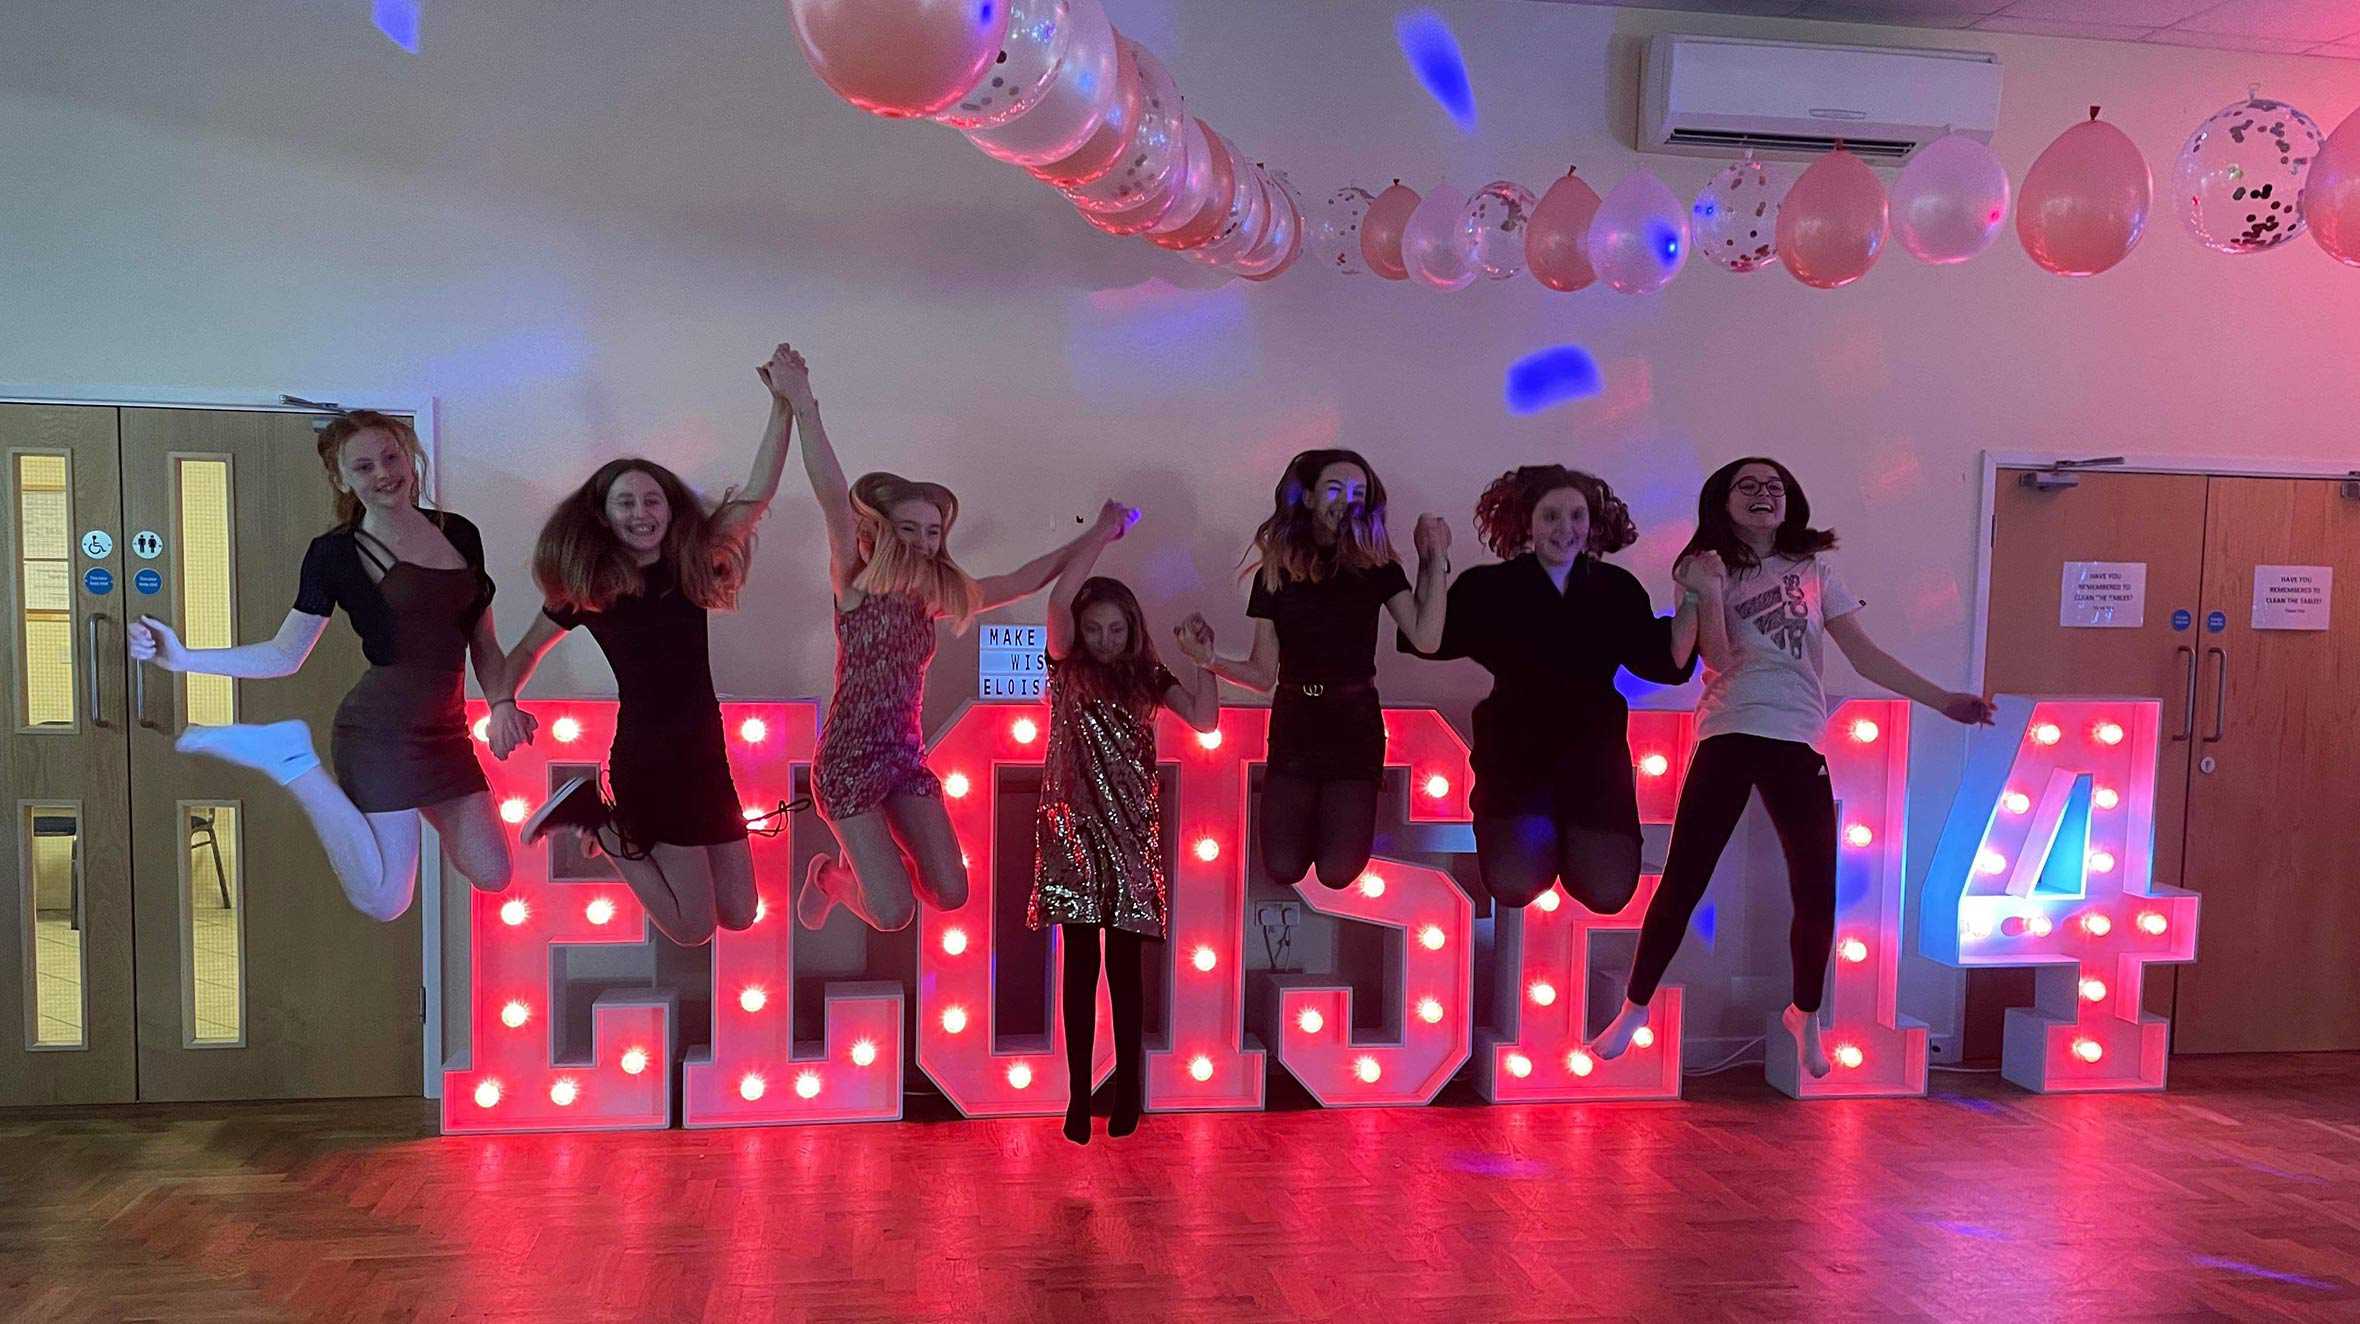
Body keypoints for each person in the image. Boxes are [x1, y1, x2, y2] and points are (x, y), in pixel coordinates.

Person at [1592, 457, 1994, 1077]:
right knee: (1685, 878)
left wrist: (1945, 701)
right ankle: (1635, 1007)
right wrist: (1709, 589)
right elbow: (1719, 661)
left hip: (1798, 734)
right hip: (1729, 728)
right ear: (1722, 502)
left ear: (1790, 501)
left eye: (1774, 486)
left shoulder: (1814, 571)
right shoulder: (1700, 567)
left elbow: (1864, 657)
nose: (1763, 495)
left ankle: (1805, 1012)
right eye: (1747, 486)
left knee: (1815, 886)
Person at [789, 359, 1131, 934]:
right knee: (894, 912)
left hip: (902, 761)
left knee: (949, 893)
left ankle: (869, 862)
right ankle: (831, 875)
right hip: (847, 766)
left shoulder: (934, 599)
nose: (924, 542)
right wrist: (803, 403)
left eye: (933, 531)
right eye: (910, 529)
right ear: (880, 532)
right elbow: (830, 496)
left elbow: (1028, 577)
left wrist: (1098, 533)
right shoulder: (854, 584)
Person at [130, 410, 512, 921]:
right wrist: (183, 659)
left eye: (391, 457)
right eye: (363, 466)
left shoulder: (461, 534)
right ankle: (291, 760)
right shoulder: (334, 554)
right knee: (384, 900)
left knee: (493, 872)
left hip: (447, 731)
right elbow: (284, 653)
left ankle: (321, 771)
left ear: (410, 457)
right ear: (342, 478)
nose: (382, 474)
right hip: (382, 731)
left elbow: (482, 641)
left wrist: (504, 702)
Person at [493, 344, 802, 945]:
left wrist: (785, 405)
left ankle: (601, 823)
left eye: (652, 499)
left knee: (739, 913)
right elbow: (522, 653)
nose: (642, 512)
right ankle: (598, 821)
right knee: (691, 930)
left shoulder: (691, 565)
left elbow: (759, 493)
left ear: (670, 508)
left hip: (706, 755)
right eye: (626, 502)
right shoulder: (591, 590)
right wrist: (503, 703)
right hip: (651, 761)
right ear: (605, 516)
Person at [1402, 465, 1696, 911]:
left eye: (1576, 516)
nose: (1566, 528)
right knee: (1514, 882)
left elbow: (1667, 661)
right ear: (1528, 523)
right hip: (1516, 760)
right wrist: (1432, 561)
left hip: (1595, 763)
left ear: (1592, 522)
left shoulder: (1615, 588)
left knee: (1609, 891)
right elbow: (1431, 639)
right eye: (1552, 516)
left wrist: (1693, 594)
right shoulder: (1490, 586)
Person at [1174, 448, 1447, 892]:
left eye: (1359, 492)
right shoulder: (1276, 571)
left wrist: (1434, 559)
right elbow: (1264, 674)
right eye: (1336, 489)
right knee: (1282, 866)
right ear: (1308, 497)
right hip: (1296, 720)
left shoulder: (1377, 567)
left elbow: (1426, 636)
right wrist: (1208, 660)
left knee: (1339, 871)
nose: (1348, 501)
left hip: (1354, 721)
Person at [1030, 514, 1219, 1143]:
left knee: (1126, 967)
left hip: (1132, 831)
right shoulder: (1066, 668)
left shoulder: (1147, 676)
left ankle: (1130, 1088)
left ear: (1132, 629)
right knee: (1079, 964)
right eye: (1096, 628)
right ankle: (1078, 1093)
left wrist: (1203, 662)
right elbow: (1058, 598)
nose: (1106, 639)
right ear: (1080, 631)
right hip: (1072, 829)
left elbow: (1204, 720)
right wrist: (1099, 536)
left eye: (1116, 628)